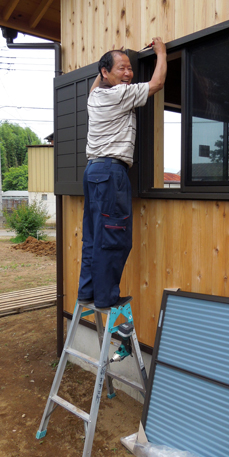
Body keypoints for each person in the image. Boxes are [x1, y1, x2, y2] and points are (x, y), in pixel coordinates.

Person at [78, 37, 167, 308]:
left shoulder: (95, 95)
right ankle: (106, 298)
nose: (128, 73)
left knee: (94, 236)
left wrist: (112, 59)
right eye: (121, 68)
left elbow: (97, 81)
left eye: (130, 67)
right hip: (110, 172)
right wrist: (161, 53)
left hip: (93, 171)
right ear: (105, 72)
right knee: (113, 235)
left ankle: (88, 292)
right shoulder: (118, 94)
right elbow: (157, 84)